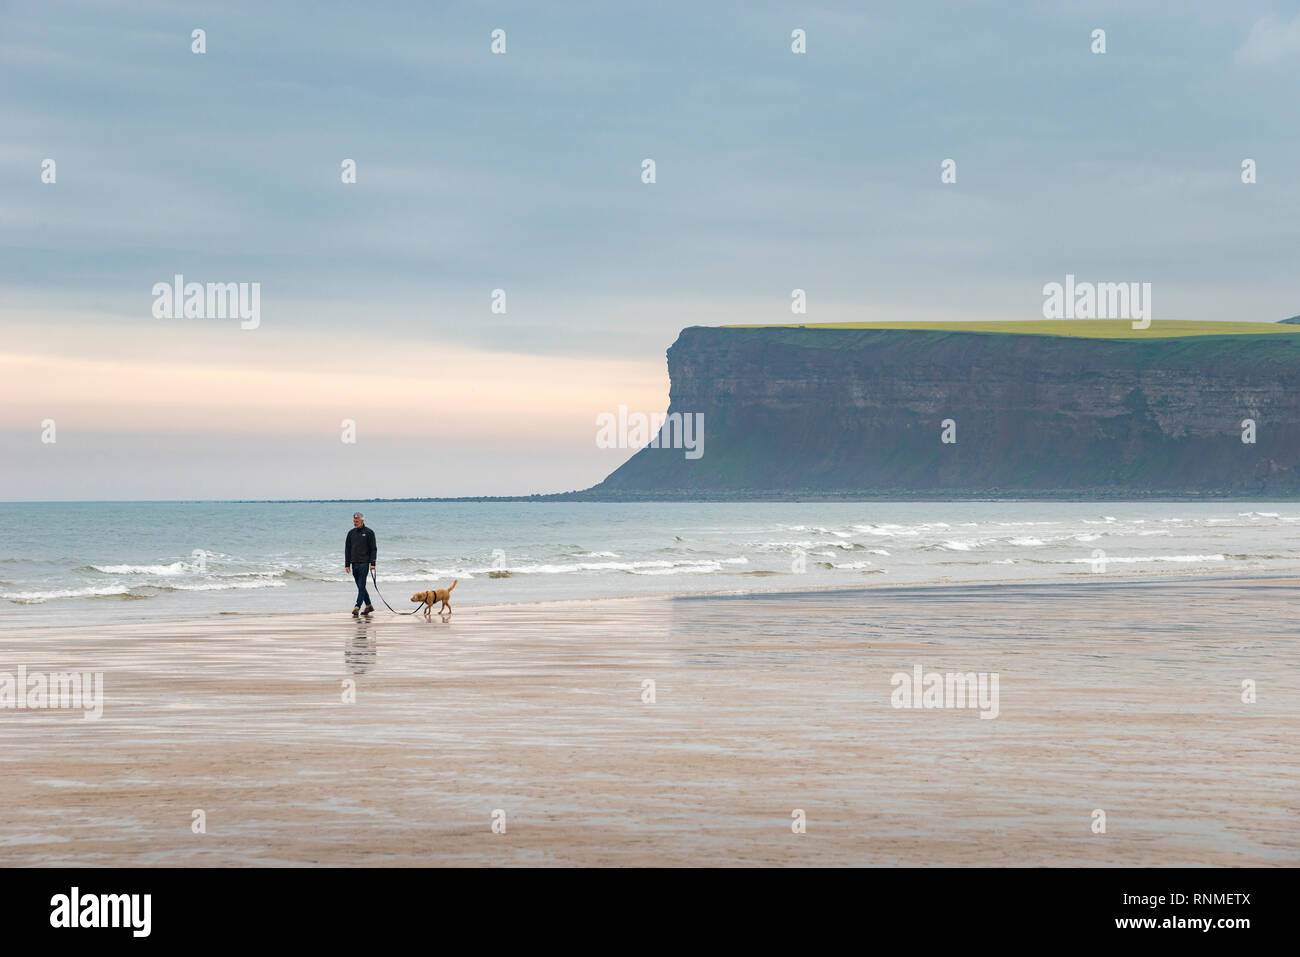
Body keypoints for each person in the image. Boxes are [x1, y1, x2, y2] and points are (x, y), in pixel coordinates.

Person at [344, 512, 377, 617]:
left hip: (364, 563)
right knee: (360, 586)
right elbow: (347, 549)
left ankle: (357, 607)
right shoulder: (351, 533)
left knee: (361, 585)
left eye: (357, 521)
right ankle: (368, 605)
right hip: (354, 563)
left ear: (362, 521)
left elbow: (373, 549)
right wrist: (347, 564)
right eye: (354, 521)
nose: (355, 523)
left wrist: (373, 563)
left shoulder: (369, 532)